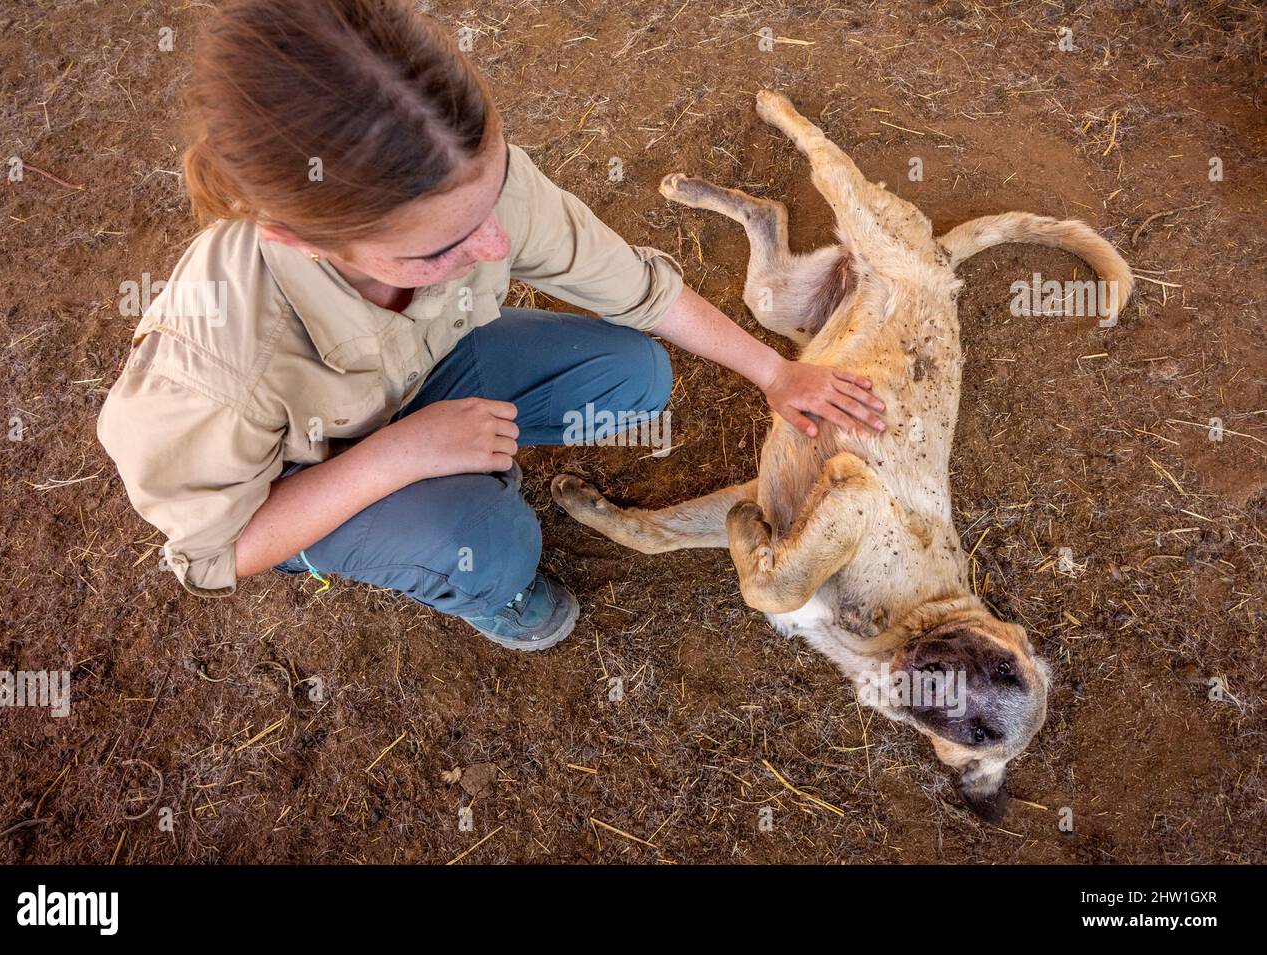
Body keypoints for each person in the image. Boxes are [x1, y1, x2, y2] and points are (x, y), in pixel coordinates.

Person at [97, 0, 885, 652]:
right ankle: (484, 581)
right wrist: (402, 454)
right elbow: (219, 550)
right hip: (309, 480)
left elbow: (637, 289)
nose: (497, 245)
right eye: (440, 249)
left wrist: (776, 372)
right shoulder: (215, 358)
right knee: (497, 545)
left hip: (421, 377)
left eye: (494, 193)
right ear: (303, 241)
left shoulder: (458, 176)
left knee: (634, 376)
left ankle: (456, 477)